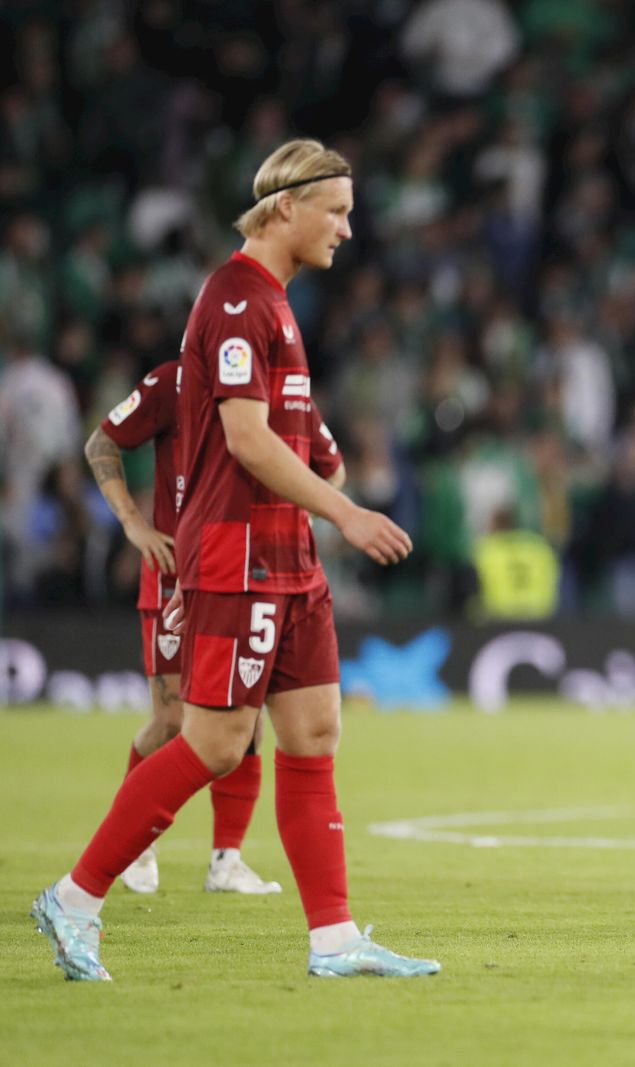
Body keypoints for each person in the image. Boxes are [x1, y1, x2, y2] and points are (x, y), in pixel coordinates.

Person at [31, 138, 438, 980]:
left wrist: (324, 508)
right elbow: (246, 440)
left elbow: (296, 439)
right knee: (214, 742)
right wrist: (348, 514)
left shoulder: (278, 304)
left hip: (289, 562)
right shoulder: (234, 299)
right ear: (287, 206)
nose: (348, 231)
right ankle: (75, 898)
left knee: (315, 731)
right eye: (338, 211)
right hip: (238, 558)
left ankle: (334, 939)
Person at [85, 361, 346, 895]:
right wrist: (135, 525)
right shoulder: (173, 382)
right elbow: (101, 443)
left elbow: (332, 468)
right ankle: (135, 847)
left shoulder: (284, 391)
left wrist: (293, 520)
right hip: (177, 570)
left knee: (245, 720)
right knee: (177, 718)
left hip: (249, 574)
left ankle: (226, 859)